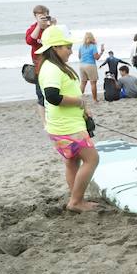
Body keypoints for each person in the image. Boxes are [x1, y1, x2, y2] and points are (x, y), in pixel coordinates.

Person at [36, 25, 99, 212]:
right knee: (92, 159)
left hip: (64, 125)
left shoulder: (55, 66)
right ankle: (76, 202)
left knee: (72, 161)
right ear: (55, 48)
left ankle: (76, 198)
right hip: (67, 127)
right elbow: (52, 96)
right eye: (67, 47)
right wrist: (79, 102)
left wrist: (83, 108)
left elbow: (63, 92)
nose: (71, 51)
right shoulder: (51, 69)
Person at [25, 4, 52, 122]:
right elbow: (30, 41)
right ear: (35, 16)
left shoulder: (50, 27)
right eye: (40, 16)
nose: (43, 18)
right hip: (38, 65)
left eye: (45, 15)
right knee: (40, 94)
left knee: (51, 90)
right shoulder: (32, 28)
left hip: (52, 62)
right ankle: (44, 121)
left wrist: (52, 25)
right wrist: (38, 26)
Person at [78, 32, 104, 102]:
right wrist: (101, 52)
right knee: (93, 83)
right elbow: (96, 57)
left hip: (81, 65)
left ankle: (78, 98)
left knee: (83, 83)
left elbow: (79, 56)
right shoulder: (93, 46)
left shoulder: (81, 46)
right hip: (90, 65)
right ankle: (95, 99)